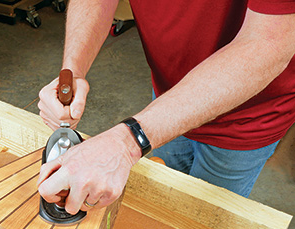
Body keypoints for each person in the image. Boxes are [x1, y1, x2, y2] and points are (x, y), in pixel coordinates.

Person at [36, 0, 295, 215]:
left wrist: (126, 143)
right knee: (166, 201)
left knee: (203, 224)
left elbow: (267, 43)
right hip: (167, 96)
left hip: (248, 118)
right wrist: (73, 71)